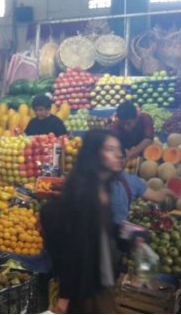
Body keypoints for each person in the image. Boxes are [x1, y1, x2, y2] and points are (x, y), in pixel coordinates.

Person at [40, 130, 124, 313]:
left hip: (100, 281)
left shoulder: (105, 188)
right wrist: (65, 296)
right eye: (110, 149)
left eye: (118, 149)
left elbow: (101, 232)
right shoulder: (83, 193)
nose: (119, 154)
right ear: (94, 154)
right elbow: (72, 248)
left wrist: (128, 236)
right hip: (84, 288)